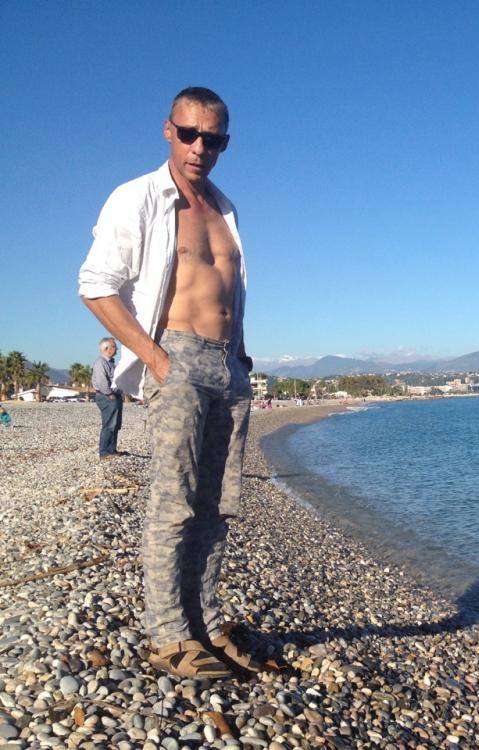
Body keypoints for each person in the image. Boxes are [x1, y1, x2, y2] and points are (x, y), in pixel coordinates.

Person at [78, 87, 259, 680]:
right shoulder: (138, 197)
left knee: (218, 504)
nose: (200, 147)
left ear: (225, 142)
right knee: (173, 500)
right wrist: (156, 359)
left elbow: (230, 292)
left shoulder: (225, 208)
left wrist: (241, 358)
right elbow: (95, 285)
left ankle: (205, 624)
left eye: (214, 139)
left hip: (229, 365)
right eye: (189, 133)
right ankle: (168, 635)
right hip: (176, 354)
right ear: (168, 130)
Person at [92, 337, 123, 458]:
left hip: (114, 396)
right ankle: (104, 452)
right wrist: (110, 394)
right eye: (114, 346)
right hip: (107, 396)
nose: (117, 349)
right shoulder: (101, 362)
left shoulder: (111, 362)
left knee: (115, 424)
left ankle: (112, 450)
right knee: (109, 424)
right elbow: (101, 382)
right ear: (106, 348)